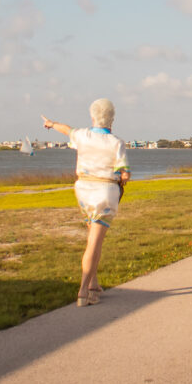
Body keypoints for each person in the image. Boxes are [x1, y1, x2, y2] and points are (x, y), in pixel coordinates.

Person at [42, 98, 130, 307]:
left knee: (93, 239)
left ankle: (93, 285)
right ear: (112, 119)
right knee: (94, 243)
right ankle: (83, 291)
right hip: (104, 193)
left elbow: (66, 130)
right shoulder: (116, 142)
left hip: (83, 191)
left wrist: (51, 124)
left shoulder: (82, 135)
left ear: (92, 117)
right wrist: (123, 177)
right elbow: (124, 173)